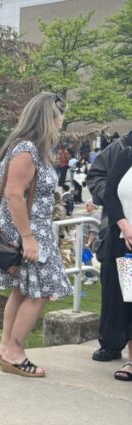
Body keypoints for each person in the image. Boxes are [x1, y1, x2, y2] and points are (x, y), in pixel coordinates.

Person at [0, 92, 73, 377]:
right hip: (30, 234)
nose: (62, 124)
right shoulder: (27, 150)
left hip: (29, 232)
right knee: (42, 291)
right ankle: (15, 352)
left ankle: (4, 347)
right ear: (48, 118)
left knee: (22, 290)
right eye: (60, 118)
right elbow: (13, 195)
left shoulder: (25, 148)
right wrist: (28, 237)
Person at [86, 129, 132, 377]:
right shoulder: (120, 148)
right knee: (118, 291)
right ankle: (112, 342)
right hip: (119, 231)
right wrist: (120, 207)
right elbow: (99, 179)